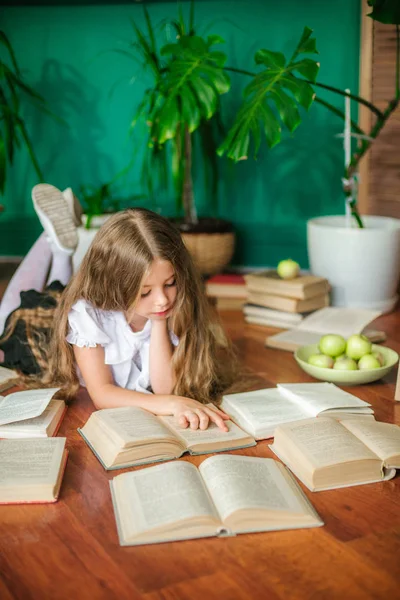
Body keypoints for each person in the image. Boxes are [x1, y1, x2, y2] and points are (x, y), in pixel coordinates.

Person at [1, 185, 238, 431]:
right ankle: (56, 248)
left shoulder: (170, 307)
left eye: (170, 283)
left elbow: (164, 388)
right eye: (145, 291)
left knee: (58, 289)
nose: (162, 300)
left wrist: (159, 322)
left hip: (78, 302)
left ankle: (62, 253)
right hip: (40, 335)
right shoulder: (86, 315)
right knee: (10, 314)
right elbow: (103, 394)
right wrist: (173, 404)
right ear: (116, 283)